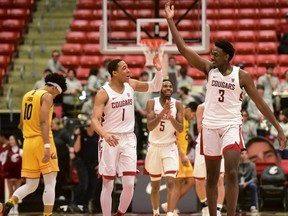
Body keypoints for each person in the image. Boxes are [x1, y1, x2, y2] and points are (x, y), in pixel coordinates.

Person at [165, 1, 287, 216]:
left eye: (216, 54)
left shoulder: (241, 76)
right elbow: (183, 48)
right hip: (210, 126)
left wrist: (277, 127)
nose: (211, 57)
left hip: (231, 125)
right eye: (211, 53)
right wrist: (170, 21)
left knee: (231, 173)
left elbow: (260, 103)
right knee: (212, 178)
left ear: (227, 57)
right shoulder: (207, 69)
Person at [91, 55, 163, 216]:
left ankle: (119, 213)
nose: (128, 70)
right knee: (108, 183)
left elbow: (155, 86)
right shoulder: (103, 93)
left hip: (129, 138)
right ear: (114, 73)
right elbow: (94, 120)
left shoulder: (131, 84)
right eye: (124, 68)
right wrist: (105, 135)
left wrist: (159, 70)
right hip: (110, 139)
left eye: (128, 67)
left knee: (130, 184)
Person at [0, 73, 67, 216]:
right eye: (57, 94)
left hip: (28, 142)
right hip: (42, 141)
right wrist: (47, 146)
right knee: (50, 183)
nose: (55, 97)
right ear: (54, 88)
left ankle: (9, 204)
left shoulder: (27, 95)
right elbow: (43, 122)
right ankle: (47, 215)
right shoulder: (47, 96)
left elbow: (21, 124)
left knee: (31, 184)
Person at [145, 79, 183, 216]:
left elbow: (180, 128)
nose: (168, 88)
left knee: (170, 181)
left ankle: (170, 213)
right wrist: (162, 113)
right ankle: (156, 213)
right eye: (165, 85)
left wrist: (170, 117)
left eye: (170, 86)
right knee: (155, 185)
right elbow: (149, 126)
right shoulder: (151, 103)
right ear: (160, 88)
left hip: (170, 146)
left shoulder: (178, 104)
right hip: (154, 147)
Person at [161, 101, 197, 214]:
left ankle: (169, 205)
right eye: (193, 115)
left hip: (182, 155)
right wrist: (182, 155)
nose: (193, 118)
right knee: (177, 183)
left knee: (191, 180)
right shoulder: (179, 118)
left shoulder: (186, 120)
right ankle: (170, 210)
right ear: (188, 110)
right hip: (177, 154)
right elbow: (173, 138)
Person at [193, 103, 225, 216]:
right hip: (203, 143)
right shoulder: (201, 107)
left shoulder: (223, 106)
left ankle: (218, 209)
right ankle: (205, 207)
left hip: (219, 144)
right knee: (199, 180)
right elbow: (200, 128)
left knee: (219, 179)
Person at [70, 119, 101, 213]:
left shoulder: (98, 135)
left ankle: (85, 204)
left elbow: (102, 150)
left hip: (95, 163)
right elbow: (76, 150)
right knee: (84, 183)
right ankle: (75, 203)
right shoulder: (82, 134)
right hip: (82, 161)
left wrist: (101, 164)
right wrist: (78, 136)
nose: (88, 127)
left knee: (93, 185)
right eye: (87, 125)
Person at [51, 117, 71, 201]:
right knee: (53, 177)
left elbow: (70, 142)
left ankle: (61, 194)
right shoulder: (51, 133)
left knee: (61, 176)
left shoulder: (63, 132)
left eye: (53, 124)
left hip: (62, 158)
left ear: (58, 125)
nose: (51, 125)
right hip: (53, 158)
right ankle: (53, 194)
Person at [134, 71, 153, 159]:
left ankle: (148, 152)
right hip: (139, 112)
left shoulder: (149, 86)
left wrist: (148, 110)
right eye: (144, 76)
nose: (145, 78)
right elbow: (135, 100)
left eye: (147, 76)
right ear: (141, 77)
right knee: (139, 132)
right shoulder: (137, 87)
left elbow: (151, 99)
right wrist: (140, 110)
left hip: (148, 112)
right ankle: (139, 152)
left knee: (150, 131)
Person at [2, 135, 23, 214]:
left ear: (16, 140)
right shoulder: (7, 152)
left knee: (17, 191)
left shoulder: (21, 151)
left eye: (12, 139)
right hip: (10, 174)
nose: (11, 141)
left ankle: (16, 208)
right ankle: (10, 208)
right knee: (10, 192)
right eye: (10, 140)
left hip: (18, 174)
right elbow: (4, 163)